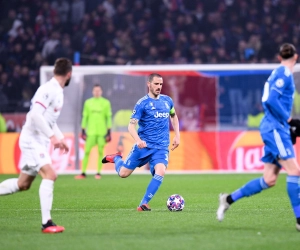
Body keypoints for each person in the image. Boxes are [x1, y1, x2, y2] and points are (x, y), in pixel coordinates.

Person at [217, 43, 300, 231]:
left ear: (279, 57)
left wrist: (288, 126)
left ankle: (228, 199)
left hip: (275, 128)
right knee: (294, 171)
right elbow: (270, 100)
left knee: (269, 179)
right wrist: (289, 120)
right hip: (275, 128)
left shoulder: (277, 73)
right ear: (296, 57)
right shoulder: (284, 74)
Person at [0, 58, 72, 233]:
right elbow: (34, 116)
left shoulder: (57, 91)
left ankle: (47, 223)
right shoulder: (49, 89)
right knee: (50, 175)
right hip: (32, 140)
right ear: (69, 74)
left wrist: (59, 137)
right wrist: (52, 137)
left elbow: (49, 119)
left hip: (39, 141)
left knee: (23, 184)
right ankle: (47, 223)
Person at [102, 73, 180, 211]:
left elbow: (174, 116)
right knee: (123, 174)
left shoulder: (168, 101)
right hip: (143, 146)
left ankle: (143, 203)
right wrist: (138, 140)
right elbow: (131, 126)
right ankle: (117, 158)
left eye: (161, 84)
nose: (159, 87)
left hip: (161, 147)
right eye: (156, 84)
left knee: (160, 171)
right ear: (149, 84)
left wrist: (177, 135)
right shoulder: (142, 104)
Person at [75, 84, 112, 179]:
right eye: (95, 90)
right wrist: (83, 130)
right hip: (90, 132)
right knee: (87, 151)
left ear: (101, 92)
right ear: (92, 91)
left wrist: (109, 131)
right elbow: (85, 117)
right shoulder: (88, 103)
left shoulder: (106, 103)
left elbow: (108, 117)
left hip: (101, 132)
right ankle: (83, 173)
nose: (97, 92)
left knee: (100, 152)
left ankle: (98, 173)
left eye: (98, 90)